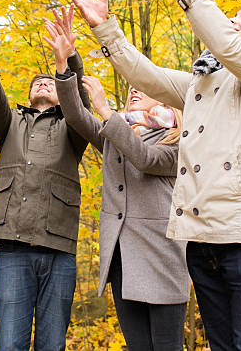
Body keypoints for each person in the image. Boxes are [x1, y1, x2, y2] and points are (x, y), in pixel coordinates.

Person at [67, 0, 241, 351]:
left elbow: (230, 48)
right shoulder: (204, 83)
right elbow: (147, 76)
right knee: (221, 345)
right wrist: (106, 30)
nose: (234, 18)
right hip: (201, 236)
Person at [44, 18, 190, 350]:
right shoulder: (116, 131)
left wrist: (106, 112)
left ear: (168, 102)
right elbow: (78, 116)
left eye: (145, 87)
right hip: (121, 256)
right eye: (131, 87)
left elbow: (147, 159)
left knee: (166, 346)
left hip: (162, 254)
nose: (134, 89)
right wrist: (64, 67)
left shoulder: (180, 140)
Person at [0, 8, 89, 351]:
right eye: (36, 83)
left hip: (59, 248)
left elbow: (81, 104)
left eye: (50, 82)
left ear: (61, 91)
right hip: (12, 248)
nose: (42, 84)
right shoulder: (9, 123)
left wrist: (68, 60)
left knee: (52, 342)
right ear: (29, 95)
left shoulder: (73, 127)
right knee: (10, 343)